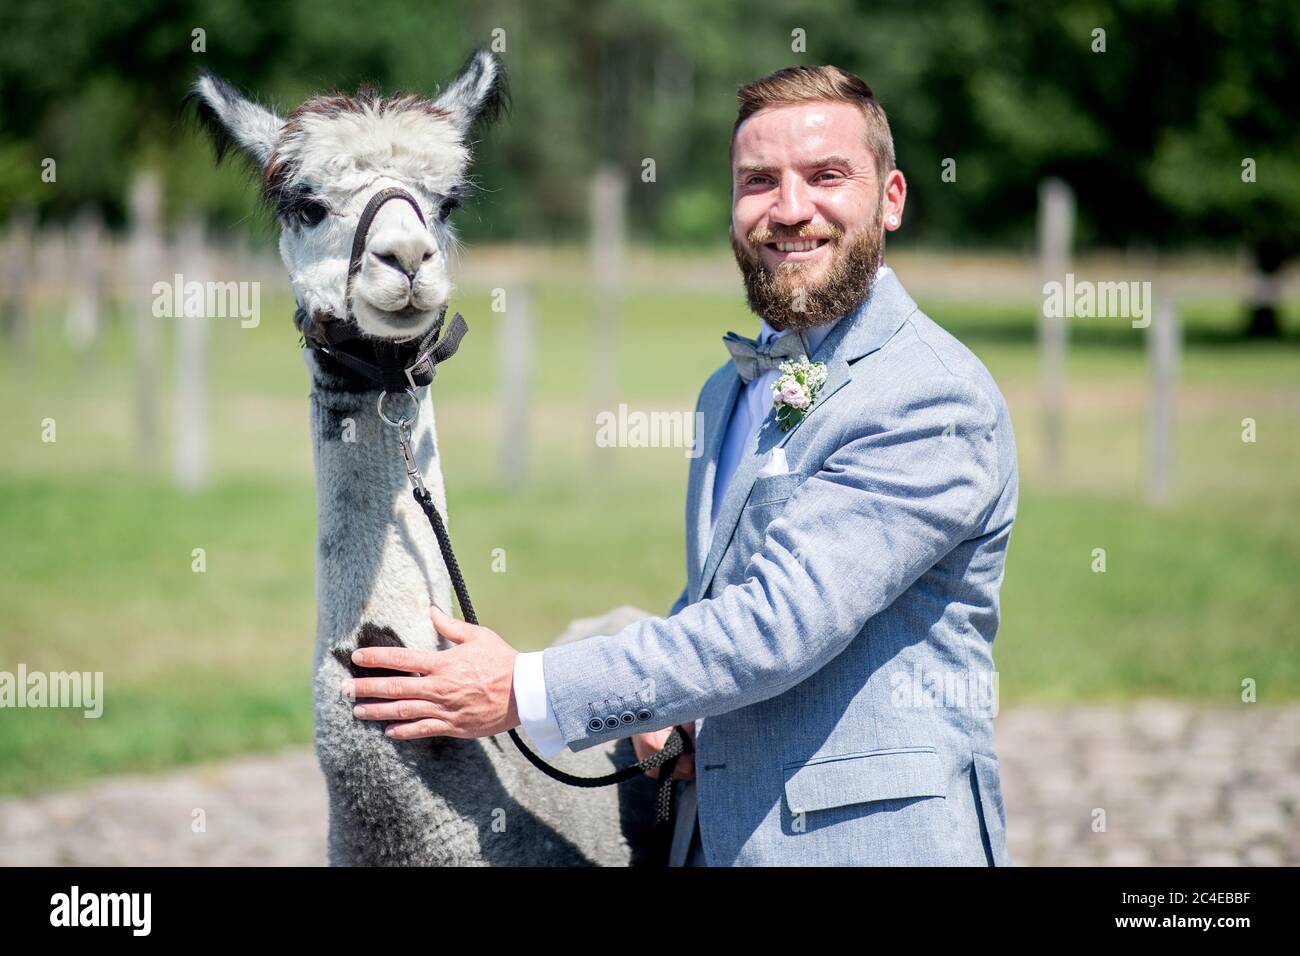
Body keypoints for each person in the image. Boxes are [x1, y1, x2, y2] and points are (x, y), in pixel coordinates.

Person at [342, 64, 1019, 867]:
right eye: (758, 181)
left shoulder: (931, 399)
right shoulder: (726, 392)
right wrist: (674, 710)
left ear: (893, 198)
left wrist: (523, 690)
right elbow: (722, 597)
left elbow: (777, 625)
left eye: (826, 176)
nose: (791, 209)